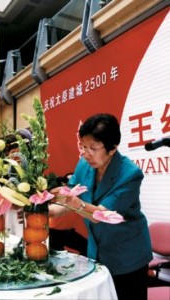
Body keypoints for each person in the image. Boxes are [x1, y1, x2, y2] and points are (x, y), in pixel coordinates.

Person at [50, 113, 152, 300]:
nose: (86, 153)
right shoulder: (84, 164)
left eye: (93, 148)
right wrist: (42, 210)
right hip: (97, 251)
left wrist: (76, 203)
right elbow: (68, 200)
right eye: (83, 147)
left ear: (112, 148)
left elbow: (103, 214)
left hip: (127, 254)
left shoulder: (130, 174)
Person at [49, 173, 88, 255]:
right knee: (56, 255)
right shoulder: (59, 193)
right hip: (54, 232)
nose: (71, 184)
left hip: (68, 232)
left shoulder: (79, 195)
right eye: (68, 181)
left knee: (86, 247)